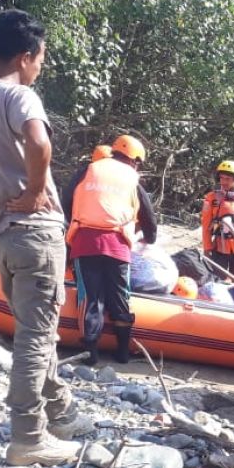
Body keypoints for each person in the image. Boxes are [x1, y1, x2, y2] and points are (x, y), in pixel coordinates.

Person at [0, 9, 90, 466]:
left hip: (1, 237)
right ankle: (28, 437)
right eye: (41, 59)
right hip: (33, 233)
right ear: (26, 55)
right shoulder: (20, 96)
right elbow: (39, 143)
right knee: (37, 337)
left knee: (34, 329)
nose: (41, 68)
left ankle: (61, 413)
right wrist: (36, 192)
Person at [63, 134, 158, 364]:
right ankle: (123, 351)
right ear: (134, 159)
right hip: (117, 247)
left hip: (85, 242)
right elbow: (148, 217)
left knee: (90, 298)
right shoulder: (132, 178)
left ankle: (91, 352)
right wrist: (150, 238)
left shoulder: (88, 170)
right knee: (120, 297)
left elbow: (66, 200)